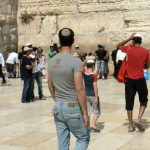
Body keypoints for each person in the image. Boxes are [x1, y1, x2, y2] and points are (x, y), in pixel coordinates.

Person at [48, 28, 90, 150]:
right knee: (83, 138)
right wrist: (85, 113)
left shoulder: (51, 61)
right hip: (72, 106)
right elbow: (79, 89)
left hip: (57, 106)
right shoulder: (75, 62)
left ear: (59, 41)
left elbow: (50, 86)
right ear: (72, 41)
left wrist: (58, 100)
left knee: (62, 143)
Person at [117, 33, 150, 132]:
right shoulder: (146, 51)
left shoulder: (129, 49)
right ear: (141, 42)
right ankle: (139, 119)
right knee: (144, 100)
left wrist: (129, 38)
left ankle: (131, 125)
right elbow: (147, 67)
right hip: (140, 78)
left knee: (129, 102)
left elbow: (118, 46)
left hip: (129, 80)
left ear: (133, 41)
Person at [83, 60, 101, 132]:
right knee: (97, 111)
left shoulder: (84, 73)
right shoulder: (94, 76)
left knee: (88, 111)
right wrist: (96, 97)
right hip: (93, 95)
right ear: (93, 66)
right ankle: (93, 124)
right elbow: (95, 87)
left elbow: (82, 66)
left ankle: (88, 125)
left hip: (86, 95)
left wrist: (85, 62)